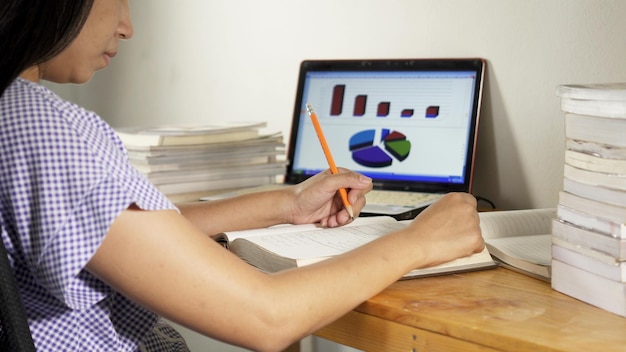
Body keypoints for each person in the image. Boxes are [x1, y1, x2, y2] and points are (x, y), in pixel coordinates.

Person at [0, 1, 485, 351]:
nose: (127, 26)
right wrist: (417, 241)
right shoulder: (44, 127)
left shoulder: (10, 113)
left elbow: (127, 242)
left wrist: (284, 204)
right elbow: (267, 317)